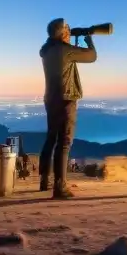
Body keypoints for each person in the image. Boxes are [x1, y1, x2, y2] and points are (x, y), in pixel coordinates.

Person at [39, 17, 97, 199]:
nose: (69, 32)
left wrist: (68, 39)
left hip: (51, 98)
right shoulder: (64, 50)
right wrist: (88, 39)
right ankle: (60, 187)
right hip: (66, 99)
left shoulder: (47, 50)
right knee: (64, 142)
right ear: (62, 33)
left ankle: (44, 180)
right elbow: (91, 56)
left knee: (51, 138)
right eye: (67, 30)